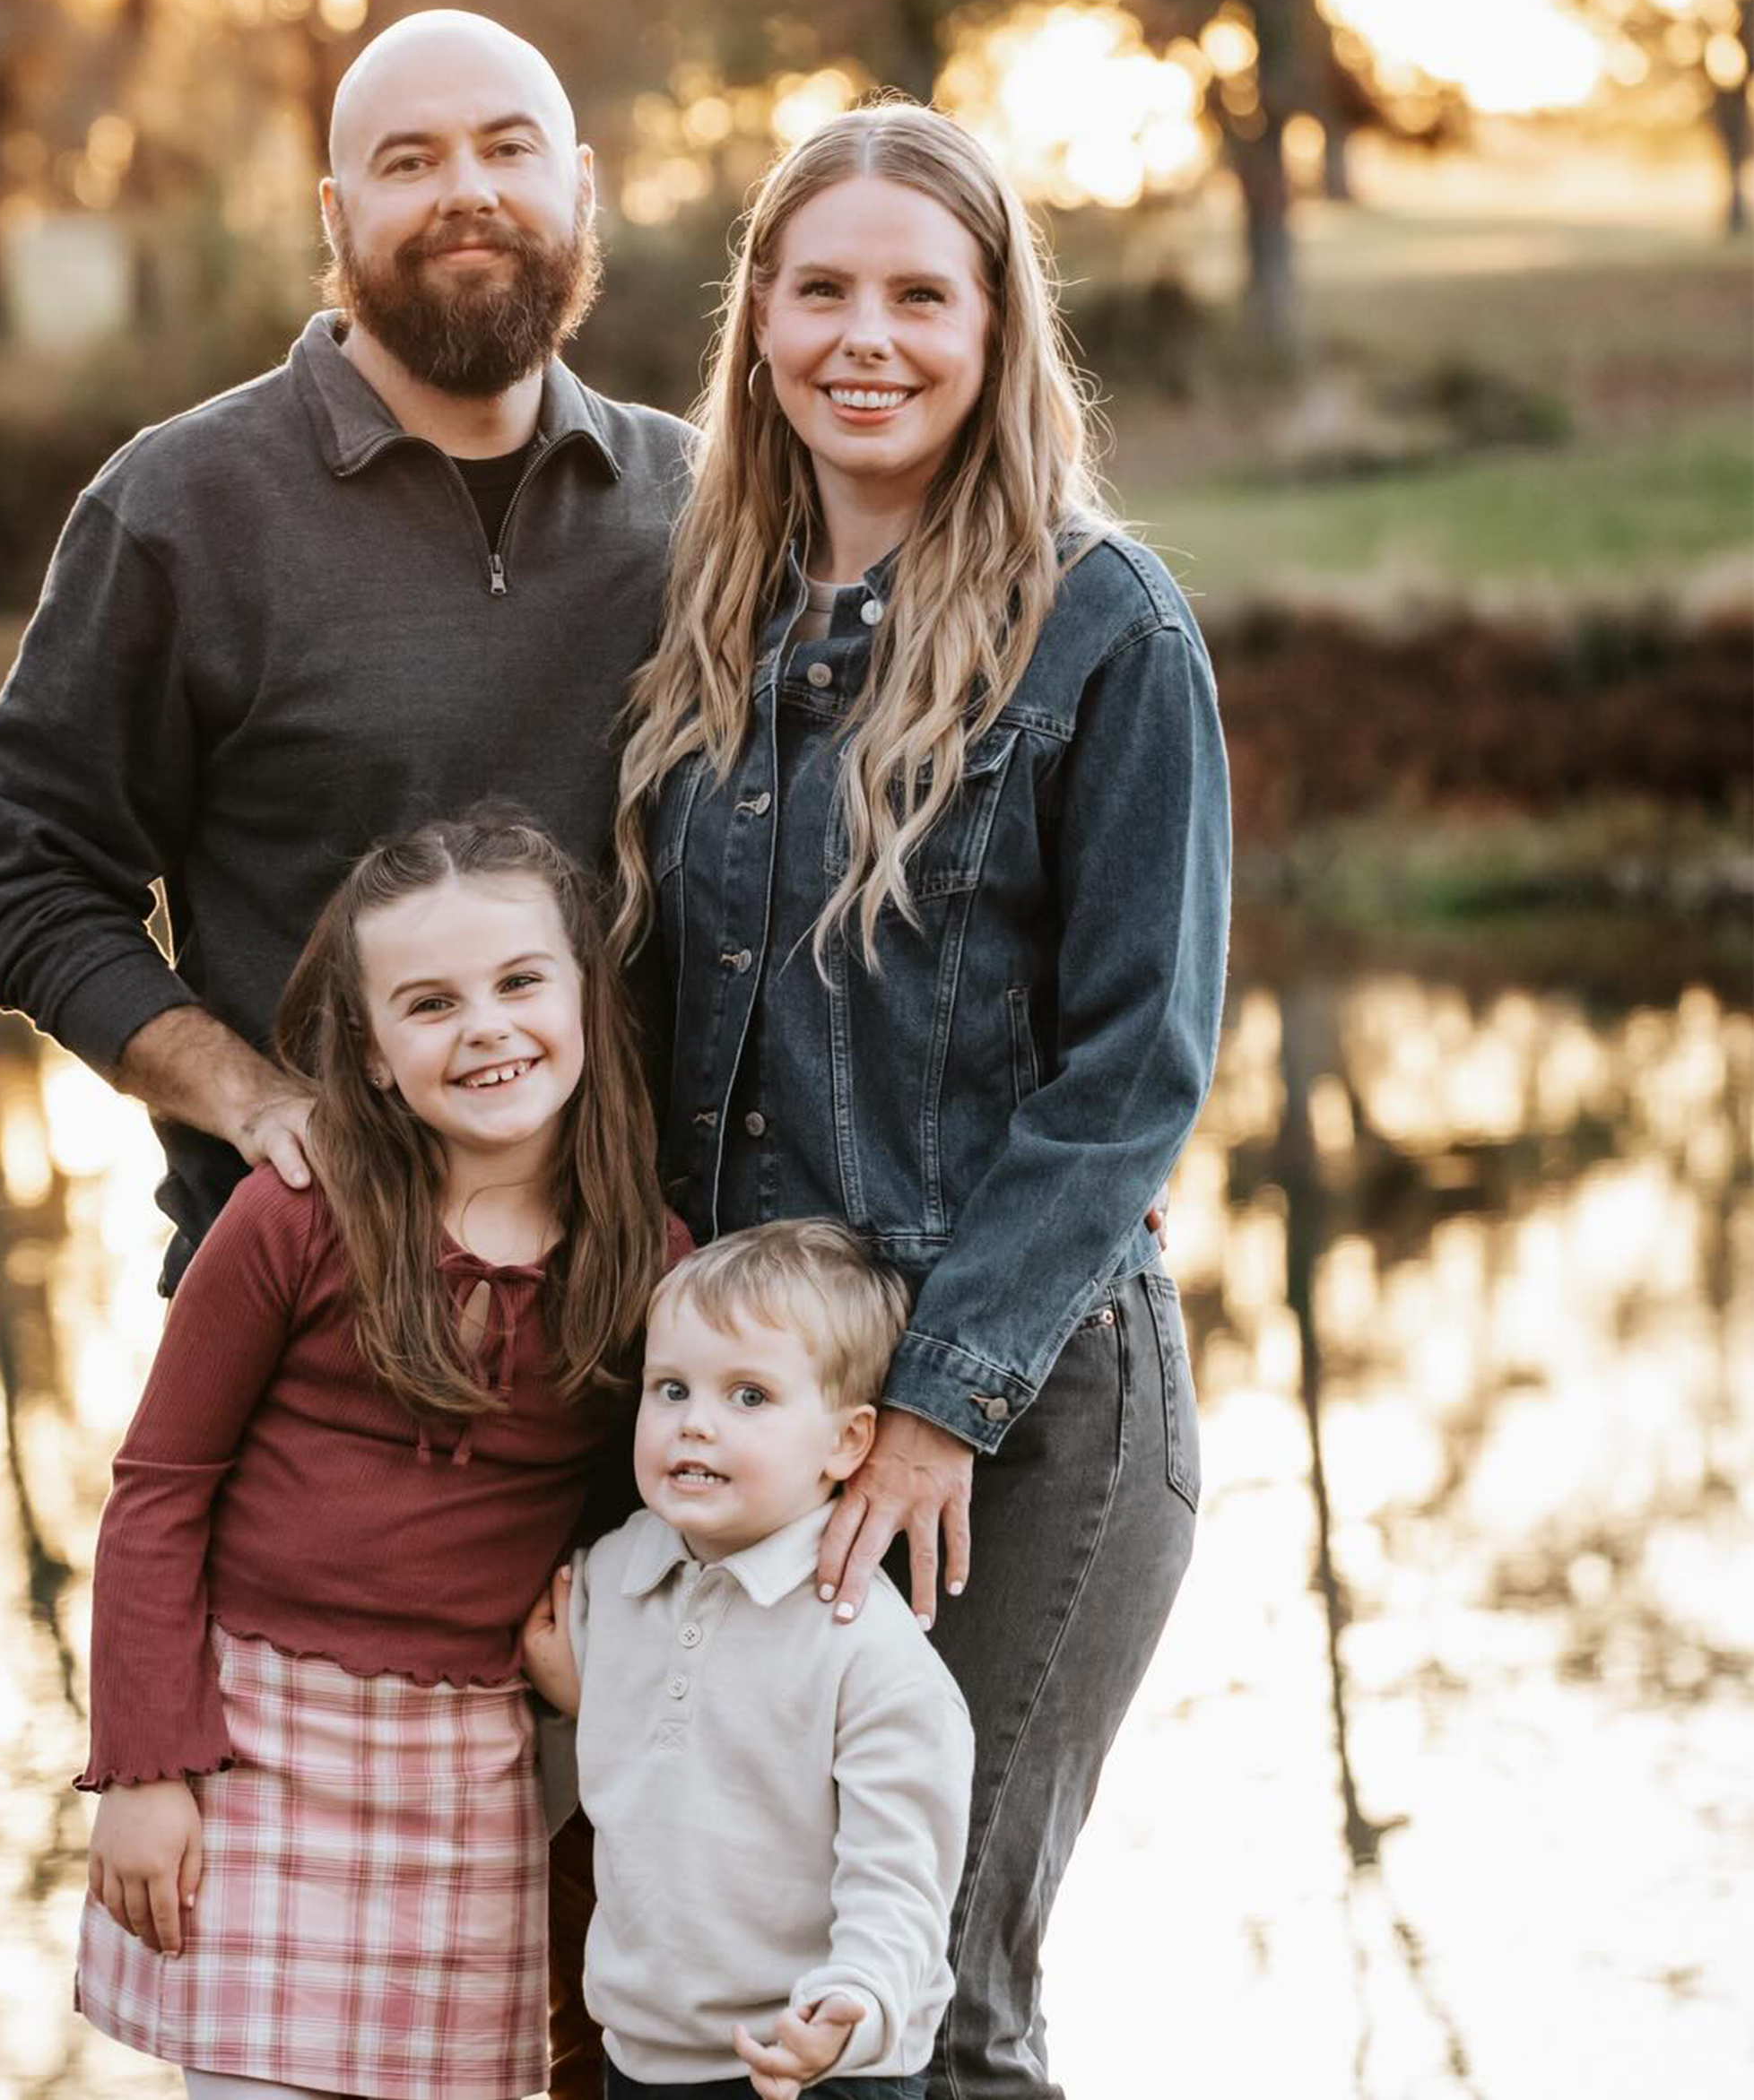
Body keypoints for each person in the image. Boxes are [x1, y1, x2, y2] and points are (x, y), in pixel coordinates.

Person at [612, 106, 1231, 2099]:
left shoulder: (1104, 622)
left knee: (935, 2011)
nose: (861, 338)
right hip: (755, 1408)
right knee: (752, 2000)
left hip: (1019, 1417)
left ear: (992, 327)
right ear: (758, 322)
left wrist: (939, 1401)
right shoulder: (716, 617)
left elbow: (1135, 1067)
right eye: (819, 290)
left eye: (916, 294)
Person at [0, 10, 692, 1299]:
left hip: (658, 1321)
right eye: (410, 161)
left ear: (581, 188)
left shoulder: (698, 501)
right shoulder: (180, 508)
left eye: (507, 149)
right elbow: (28, 882)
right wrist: (248, 1098)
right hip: (314, 1313)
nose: (467, 191)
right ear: (336, 216)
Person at [74, 812, 686, 2099]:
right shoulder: (297, 1215)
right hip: (246, 1747)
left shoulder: (647, 1256)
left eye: (520, 982)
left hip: (467, 1766)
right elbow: (159, 1493)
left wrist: (599, 1672)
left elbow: (685, 1517)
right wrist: (144, 1767)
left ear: (586, 992)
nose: (486, 1029)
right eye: (431, 1003)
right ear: (369, 1048)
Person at [520, 1219, 972, 2100]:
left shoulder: (865, 1648)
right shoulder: (615, 1574)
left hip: (812, 2063)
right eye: (671, 1388)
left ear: (847, 1442)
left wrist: (853, 2003)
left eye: (749, 1397)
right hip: (643, 2059)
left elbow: (901, 1872)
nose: (695, 1424)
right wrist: (573, 1696)